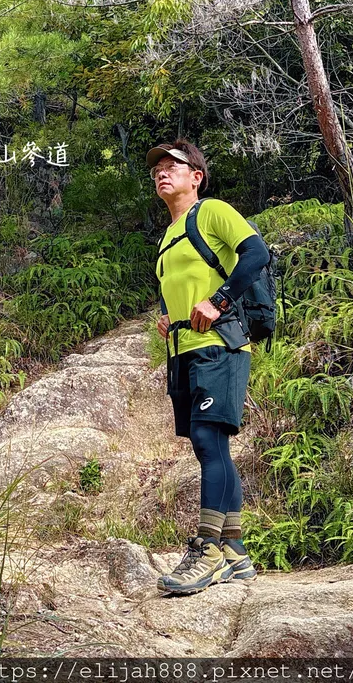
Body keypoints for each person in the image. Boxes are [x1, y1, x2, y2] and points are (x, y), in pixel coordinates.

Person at [146, 138, 270, 596]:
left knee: (207, 438)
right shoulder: (167, 235)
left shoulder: (212, 211)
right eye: (157, 168)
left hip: (219, 345)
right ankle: (235, 551)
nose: (162, 172)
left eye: (172, 166)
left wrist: (219, 301)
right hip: (182, 351)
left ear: (195, 176)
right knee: (209, 446)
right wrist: (167, 315)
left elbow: (256, 255)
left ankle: (210, 549)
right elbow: (176, 284)